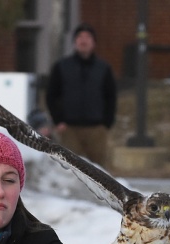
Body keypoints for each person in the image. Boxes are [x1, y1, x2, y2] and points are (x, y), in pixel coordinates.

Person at [46, 23, 117, 167]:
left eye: (87, 37)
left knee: (100, 172)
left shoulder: (104, 68)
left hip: (96, 129)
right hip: (69, 129)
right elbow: (51, 95)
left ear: (94, 42)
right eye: (79, 37)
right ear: (74, 42)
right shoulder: (62, 67)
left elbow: (111, 97)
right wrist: (58, 120)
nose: (83, 40)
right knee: (70, 169)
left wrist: (106, 123)